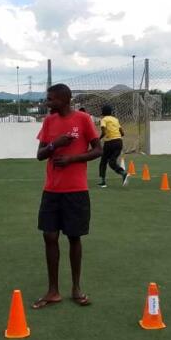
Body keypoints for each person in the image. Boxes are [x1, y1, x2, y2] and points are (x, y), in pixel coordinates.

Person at [33, 84, 102, 309]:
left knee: (74, 237)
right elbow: (40, 155)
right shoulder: (48, 122)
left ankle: (76, 288)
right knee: (50, 237)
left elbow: (98, 150)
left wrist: (72, 159)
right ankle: (53, 291)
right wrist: (56, 144)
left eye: (51, 99)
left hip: (76, 191)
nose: (47, 102)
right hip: (52, 191)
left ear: (64, 99)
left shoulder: (83, 119)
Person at [97, 104, 129, 188]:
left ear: (103, 112)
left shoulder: (103, 119)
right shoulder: (115, 119)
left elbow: (103, 132)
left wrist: (98, 139)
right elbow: (122, 133)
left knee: (103, 161)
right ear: (111, 112)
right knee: (112, 162)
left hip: (109, 143)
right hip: (119, 142)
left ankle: (103, 182)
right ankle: (123, 173)